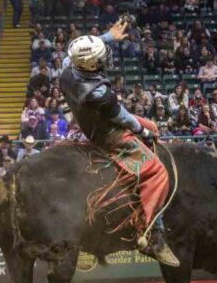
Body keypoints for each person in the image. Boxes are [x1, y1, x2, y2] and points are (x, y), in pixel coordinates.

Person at [60, 19, 179, 267]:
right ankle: (150, 232)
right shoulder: (99, 93)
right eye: (101, 58)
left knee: (153, 127)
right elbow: (123, 118)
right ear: (92, 65)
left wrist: (107, 37)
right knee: (158, 172)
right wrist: (143, 133)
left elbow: (81, 51)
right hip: (107, 133)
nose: (106, 60)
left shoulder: (67, 66)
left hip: (88, 119)